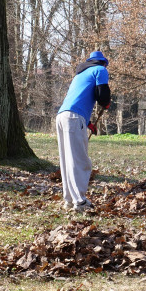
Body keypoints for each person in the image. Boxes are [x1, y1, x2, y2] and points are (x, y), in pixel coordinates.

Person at [56, 50, 111, 212]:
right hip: (73, 118)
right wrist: (106, 103)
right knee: (80, 161)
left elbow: (77, 100)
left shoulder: (79, 75)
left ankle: (68, 200)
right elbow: (102, 96)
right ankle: (80, 202)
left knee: (67, 161)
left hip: (62, 116)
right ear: (102, 62)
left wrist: (88, 124)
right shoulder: (100, 70)